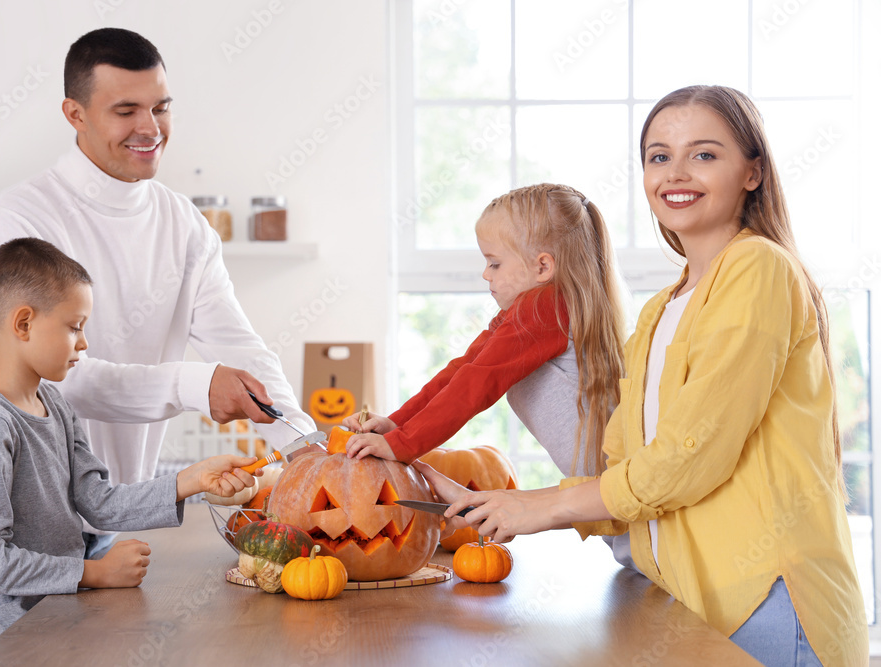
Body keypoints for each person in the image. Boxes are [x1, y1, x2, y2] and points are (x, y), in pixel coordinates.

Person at [419, 85, 868, 666]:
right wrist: (504, 505)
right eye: (659, 156)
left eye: (704, 154)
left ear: (752, 172)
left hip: (768, 602)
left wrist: (539, 507)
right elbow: (632, 478)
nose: (675, 173)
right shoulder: (662, 309)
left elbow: (689, 456)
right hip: (688, 601)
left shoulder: (758, 268)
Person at [0, 238, 260, 659]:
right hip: (5, 644)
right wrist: (94, 573)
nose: (84, 343)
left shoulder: (55, 405)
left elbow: (98, 502)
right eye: (74, 326)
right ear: (23, 324)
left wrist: (192, 480)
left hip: (58, 622)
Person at [346, 183, 625, 481]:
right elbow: (462, 371)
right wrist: (397, 425)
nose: (485, 273)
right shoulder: (537, 309)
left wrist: (402, 443)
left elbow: (476, 384)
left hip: (615, 490)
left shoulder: (546, 308)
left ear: (542, 266)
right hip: (607, 490)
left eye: (495, 263)